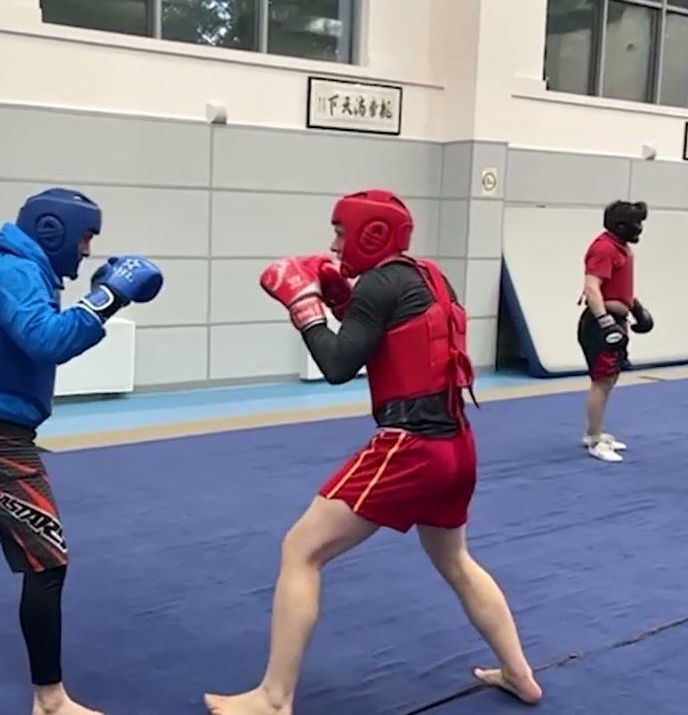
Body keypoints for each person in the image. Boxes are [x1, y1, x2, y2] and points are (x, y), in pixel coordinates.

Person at [203, 189, 542, 715]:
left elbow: (338, 364)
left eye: (341, 232)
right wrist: (343, 301)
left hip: (410, 447)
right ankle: (520, 674)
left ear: (372, 234)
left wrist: (306, 307)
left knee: (301, 550)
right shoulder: (430, 276)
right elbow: (396, 340)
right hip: (457, 444)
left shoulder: (378, 286)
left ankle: (273, 698)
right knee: (455, 560)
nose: (334, 244)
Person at [0, 188, 163, 715]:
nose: (87, 249)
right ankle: (50, 700)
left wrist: (99, 298)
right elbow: (47, 341)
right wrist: (107, 298)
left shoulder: (13, 267)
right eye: (85, 237)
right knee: (47, 562)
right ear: (54, 230)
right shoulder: (14, 273)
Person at [576, 200, 654, 463]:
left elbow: (620, 286)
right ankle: (594, 439)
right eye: (636, 223)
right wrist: (605, 321)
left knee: (610, 379)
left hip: (617, 319)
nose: (640, 228)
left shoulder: (621, 248)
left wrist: (637, 309)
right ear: (621, 225)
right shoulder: (604, 248)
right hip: (600, 323)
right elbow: (592, 288)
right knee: (601, 381)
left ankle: (594, 431)